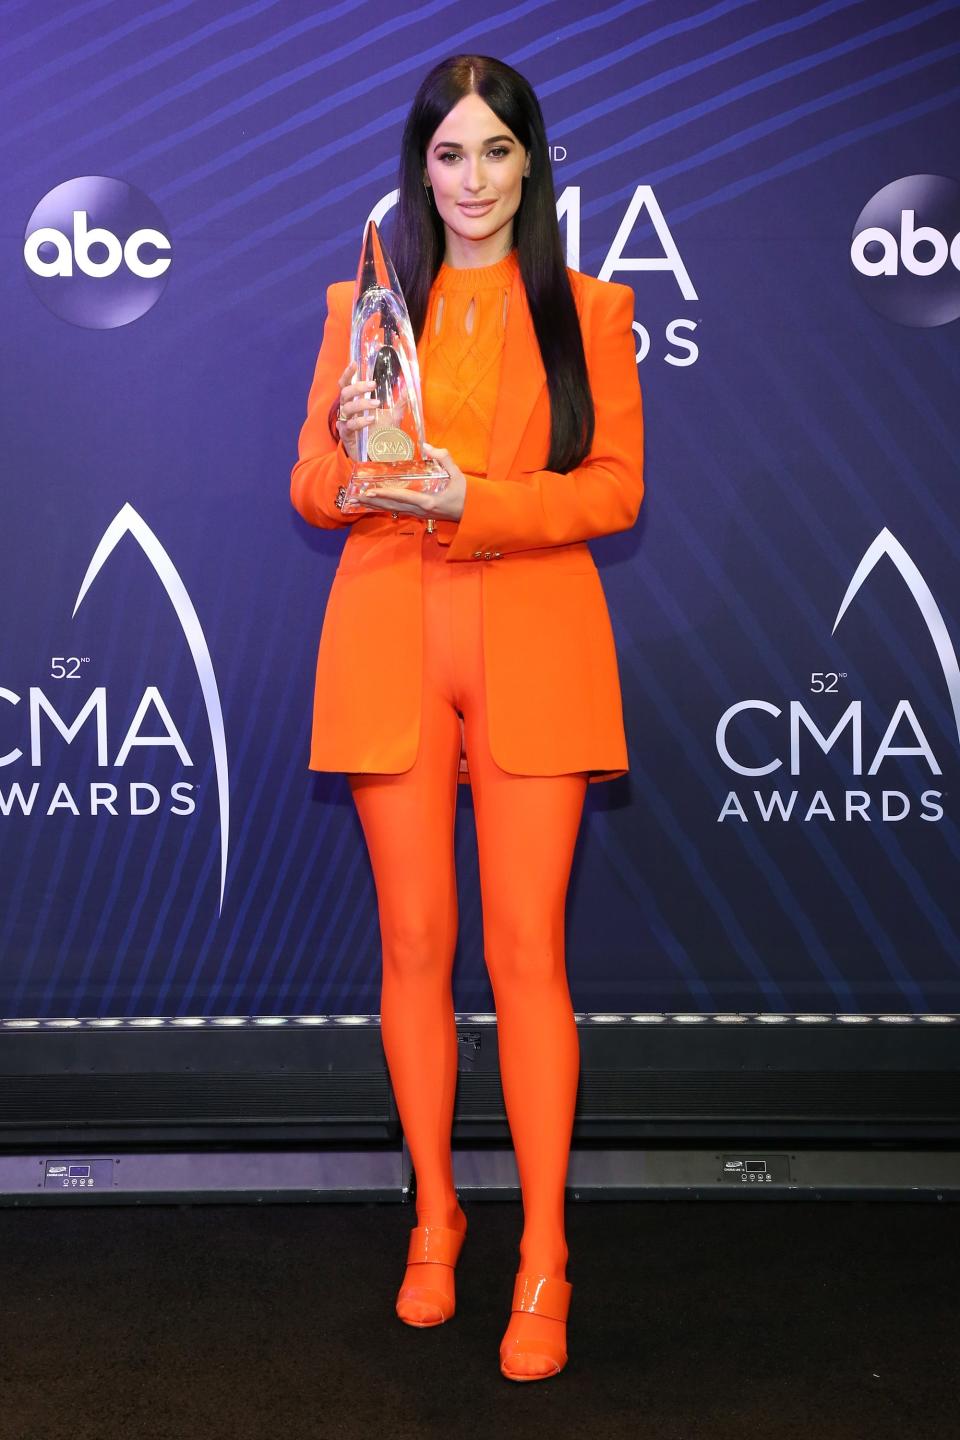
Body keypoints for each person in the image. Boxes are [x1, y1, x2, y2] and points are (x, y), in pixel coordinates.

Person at [291, 53, 644, 1383]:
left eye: (498, 152)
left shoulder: (590, 311)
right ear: (420, 166)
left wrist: (470, 503)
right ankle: (433, 1218)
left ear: (532, 164)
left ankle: (545, 1254)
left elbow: (614, 490)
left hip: (537, 641)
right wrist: (352, 451)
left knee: (525, 954)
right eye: (452, 154)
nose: (475, 179)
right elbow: (313, 479)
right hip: (388, 633)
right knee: (414, 944)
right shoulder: (362, 301)